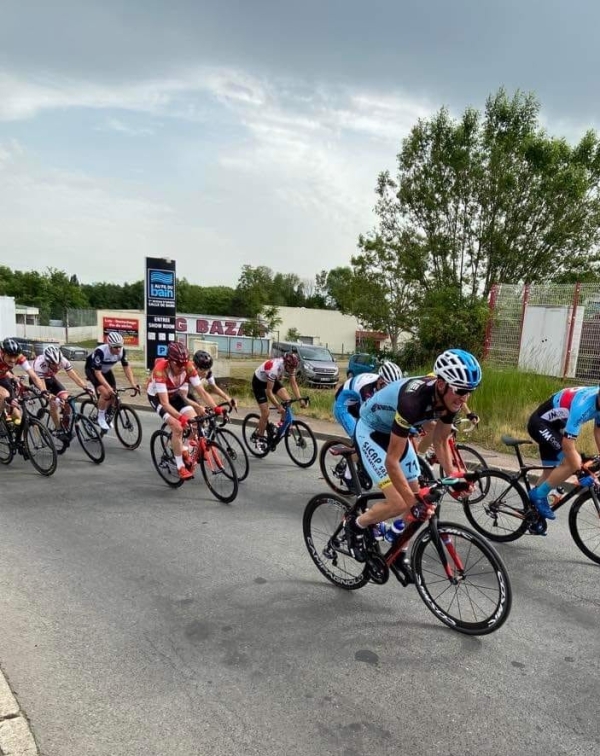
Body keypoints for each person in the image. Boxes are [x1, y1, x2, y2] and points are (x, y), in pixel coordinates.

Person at [344, 348, 482, 561]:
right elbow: (391, 461)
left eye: (469, 391)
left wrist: (455, 477)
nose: (464, 398)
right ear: (442, 384)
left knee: (419, 498)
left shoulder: (451, 399)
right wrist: (411, 503)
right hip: (371, 430)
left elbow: (440, 440)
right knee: (401, 503)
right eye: (460, 390)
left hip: (395, 430)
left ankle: (399, 552)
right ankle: (354, 525)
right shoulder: (413, 401)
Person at [146, 341, 224, 480]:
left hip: (175, 394)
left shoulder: (188, 367)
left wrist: (216, 408)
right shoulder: (160, 370)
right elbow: (165, 403)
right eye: (178, 364)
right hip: (158, 398)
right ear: (170, 361)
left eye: (184, 363)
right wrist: (180, 419)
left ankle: (184, 449)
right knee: (177, 428)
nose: (182, 367)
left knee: (195, 422)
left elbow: (202, 392)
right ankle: (180, 466)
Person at [527, 385, 600, 523]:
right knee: (570, 463)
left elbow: (598, 430)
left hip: (555, 426)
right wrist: (579, 471)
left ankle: (532, 515)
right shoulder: (583, 406)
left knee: (550, 475)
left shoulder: (598, 400)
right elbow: (568, 446)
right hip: (540, 424)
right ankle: (538, 496)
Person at [332, 361, 403, 492]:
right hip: (343, 407)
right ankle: (348, 474)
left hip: (357, 405)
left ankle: (360, 462)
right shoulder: (367, 390)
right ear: (380, 380)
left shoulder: (386, 386)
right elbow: (370, 416)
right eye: (388, 386)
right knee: (361, 440)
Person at [85, 332, 140, 431]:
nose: (119, 349)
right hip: (93, 371)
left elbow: (126, 367)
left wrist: (133, 383)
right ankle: (100, 417)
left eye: (120, 346)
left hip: (106, 371)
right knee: (106, 393)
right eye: (116, 347)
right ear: (109, 345)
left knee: (114, 395)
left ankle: (105, 413)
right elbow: (97, 373)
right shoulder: (100, 351)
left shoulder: (122, 351)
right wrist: (108, 388)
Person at [31, 345, 93, 434]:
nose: (56, 367)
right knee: (54, 403)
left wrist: (85, 387)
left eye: (58, 364)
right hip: (37, 381)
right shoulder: (40, 364)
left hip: (50, 378)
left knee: (67, 400)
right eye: (53, 364)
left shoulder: (63, 361)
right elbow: (42, 386)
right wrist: (49, 396)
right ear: (47, 362)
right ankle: (58, 429)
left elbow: (74, 377)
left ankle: (65, 424)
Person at [251, 352, 306, 447]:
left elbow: (293, 384)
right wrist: (278, 406)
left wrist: (300, 399)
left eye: (294, 367)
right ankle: (259, 437)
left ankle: (281, 425)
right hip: (259, 382)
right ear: (286, 364)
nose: (293, 370)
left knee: (288, 400)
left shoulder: (290, 365)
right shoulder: (274, 368)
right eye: (291, 367)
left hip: (270, 380)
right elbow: (269, 392)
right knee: (266, 413)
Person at [0, 337, 46, 423]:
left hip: (2, 376)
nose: (13, 360)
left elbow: (34, 376)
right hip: (2, 375)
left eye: (15, 356)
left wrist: (43, 390)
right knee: (5, 395)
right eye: (10, 356)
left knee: (17, 415)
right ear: (3, 353)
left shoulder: (20, 357)